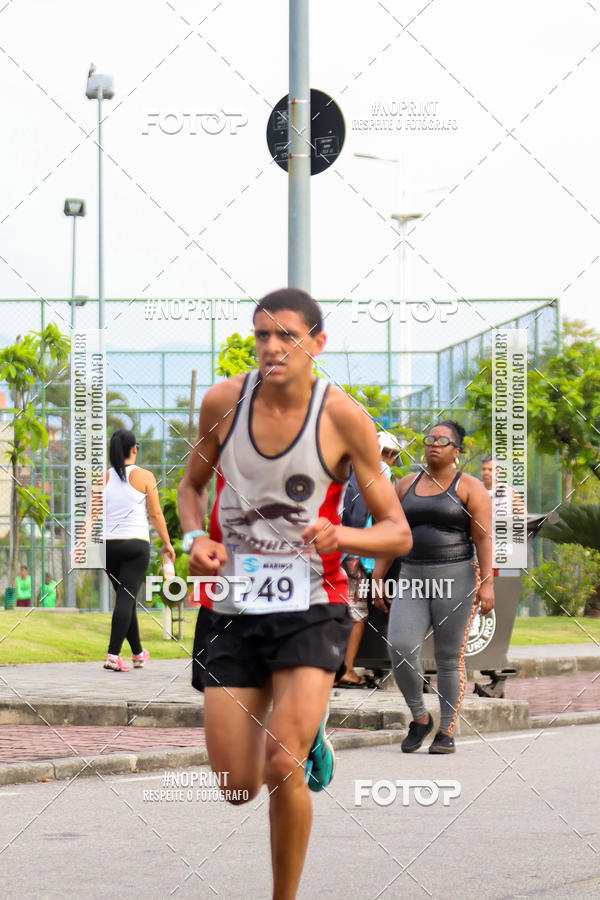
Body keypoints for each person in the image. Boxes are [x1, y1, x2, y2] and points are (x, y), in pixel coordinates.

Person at [177, 288, 412, 900]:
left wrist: (343, 534)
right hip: (233, 605)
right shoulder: (223, 403)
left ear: (317, 343)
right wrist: (196, 536)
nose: (273, 347)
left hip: (313, 602)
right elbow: (190, 486)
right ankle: (304, 726)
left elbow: (396, 530)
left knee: (283, 763)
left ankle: (285, 889)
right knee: (236, 786)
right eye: (263, 335)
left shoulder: (343, 417)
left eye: (288, 335)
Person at [373, 421, 493, 754]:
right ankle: (420, 717)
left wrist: (487, 584)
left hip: (456, 576)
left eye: (443, 440)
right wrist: (378, 577)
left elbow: (483, 537)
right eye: (430, 439)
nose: (434, 444)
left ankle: (446, 730)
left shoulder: (469, 487)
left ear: (457, 450)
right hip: (412, 575)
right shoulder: (405, 485)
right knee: (400, 647)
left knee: (448, 657)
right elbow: (390, 532)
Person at [103, 430, 175, 672]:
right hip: (135, 546)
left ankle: (137, 653)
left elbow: (94, 514)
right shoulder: (145, 476)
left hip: (109, 547)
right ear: (134, 449)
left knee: (126, 598)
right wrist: (167, 542)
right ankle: (113, 654)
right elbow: (155, 514)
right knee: (126, 598)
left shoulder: (103, 478)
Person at [336, 431, 400, 688]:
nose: (391, 461)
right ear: (388, 453)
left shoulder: (344, 469)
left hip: (333, 548)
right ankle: (346, 671)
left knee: (330, 609)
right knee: (357, 614)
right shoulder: (381, 472)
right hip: (358, 553)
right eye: (391, 455)